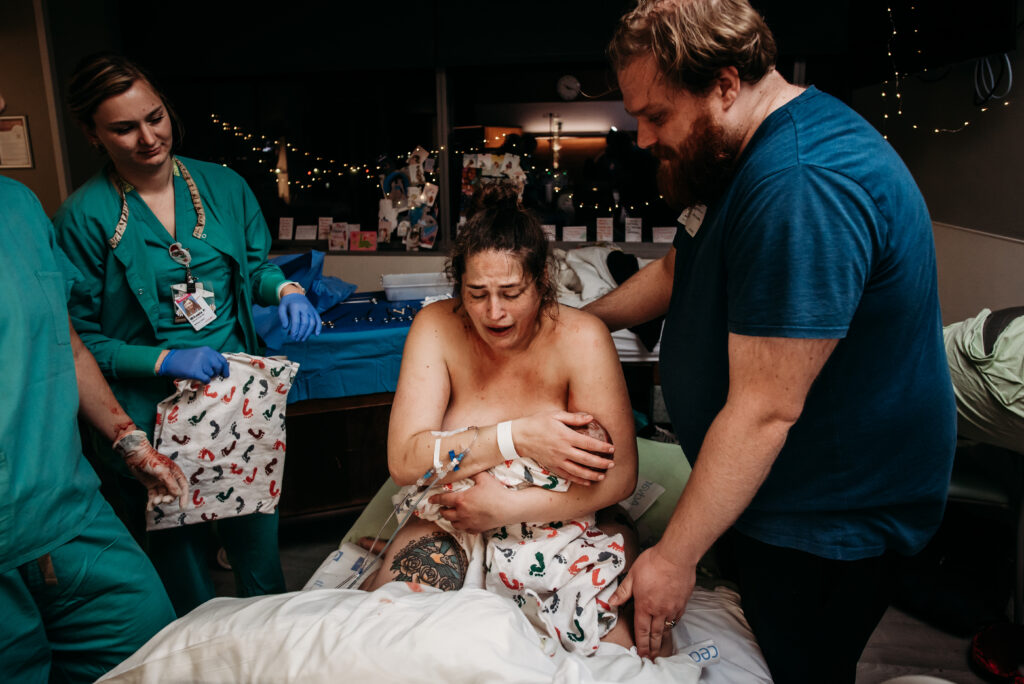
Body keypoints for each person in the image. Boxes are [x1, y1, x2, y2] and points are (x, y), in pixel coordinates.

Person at [581, 1, 957, 680]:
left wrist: (672, 558)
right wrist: (578, 326)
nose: (641, 138)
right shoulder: (735, 154)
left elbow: (765, 410)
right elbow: (678, 265)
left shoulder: (800, 185)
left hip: (827, 521)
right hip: (774, 495)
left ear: (725, 83)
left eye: (656, 115)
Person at [52, 53, 321, 616]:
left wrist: (285, 291)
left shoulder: (223, 187)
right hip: (146, 417)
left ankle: (271, 655)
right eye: (124, 128)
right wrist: (161, 361)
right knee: (177, 563)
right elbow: (74, 339)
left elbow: (254, 270)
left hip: (235, 403)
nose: (148, 137)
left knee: (258, 552)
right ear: (92, 134)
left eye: (155, 117)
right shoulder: (84, 217)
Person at [362, 185, 654, 655]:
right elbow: (404, 461)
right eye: (476, 294)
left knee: (613, 655)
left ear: (541, 281)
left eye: (511, 293)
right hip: (452, 521)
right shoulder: (436, 327)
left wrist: (505, 509)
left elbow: (621, 476)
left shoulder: (583, 338)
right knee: (394, 636)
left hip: (560, 522)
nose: (493, 312)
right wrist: (516, 436)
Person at [0, 175, 188, 681]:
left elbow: (67, 338)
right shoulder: (87, 212)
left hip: (67, 509)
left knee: (153, 655)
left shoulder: (17, 204)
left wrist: (132, 443)